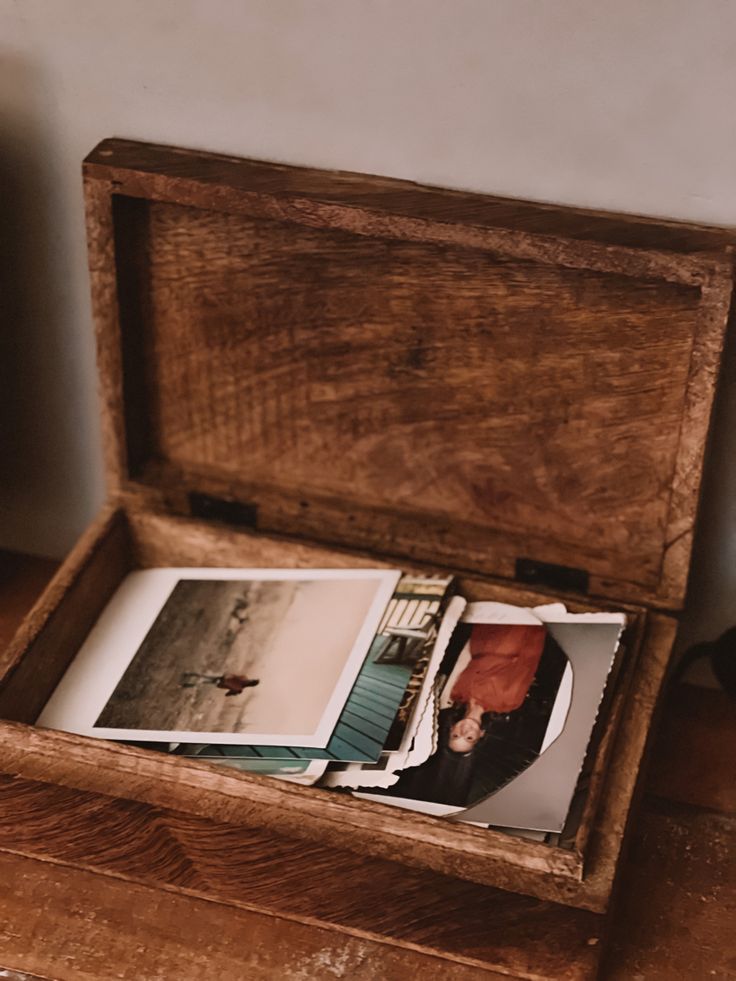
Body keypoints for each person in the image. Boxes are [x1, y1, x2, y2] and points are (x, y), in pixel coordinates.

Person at [446, 623, 546, 754]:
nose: (464, 731)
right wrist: (535, 628)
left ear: (452, 729)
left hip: (483, 633)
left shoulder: (457, 694)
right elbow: (528, 663)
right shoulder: (508, 703)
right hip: (515, 634)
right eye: (469, 738)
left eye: (456, 735)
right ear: (480, 734)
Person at [179, 672, 260, 696]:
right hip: (220, 681)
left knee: (203, 678)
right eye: (252, 680)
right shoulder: (239, 689)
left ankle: (186, 676)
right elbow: (227, 694)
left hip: (221, 680)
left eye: (251, 680)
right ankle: (184, 683)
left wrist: (232, 692)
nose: (250, 680)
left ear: (250, 682)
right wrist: (232, 692)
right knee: (203, 680)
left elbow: (232, 674)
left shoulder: (243, 679)